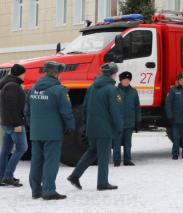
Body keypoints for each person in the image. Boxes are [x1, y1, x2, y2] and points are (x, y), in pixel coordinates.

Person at [67, 62, 123, 192]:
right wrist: (119, 127)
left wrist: (87, 124)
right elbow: (115, 111)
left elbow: (85, 108)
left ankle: (75, 175)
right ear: (113, 74)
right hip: (105, 128)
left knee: (92, 151)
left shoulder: (92, 87)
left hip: (92, 127)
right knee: (104, 154)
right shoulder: (112, 90)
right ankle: (102, 182)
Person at [25, 61, 75, 200]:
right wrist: (70, 128)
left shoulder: (33, 89)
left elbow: (26, 111)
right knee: (51, 162)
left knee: (36, 161)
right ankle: (48, 191)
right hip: (53, 133)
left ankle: (36, 190)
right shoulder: (59, 90)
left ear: (45, 72)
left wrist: (33, 126)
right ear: (58, 74)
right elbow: (66, 112)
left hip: (36, 132)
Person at [0, 64, 28, 187]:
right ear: (20, 74)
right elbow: (10, 107)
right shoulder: (13, 86)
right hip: (13, 124)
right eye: (24, 73)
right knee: (22, 148)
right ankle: (7, 176)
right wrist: (16, 123)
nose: (25, 75)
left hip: (6, 123)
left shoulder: (7, 84)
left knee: (5, 151)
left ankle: (2, 176)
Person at [112, 71, 141, 167]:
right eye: (125, 79)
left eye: (128, 79)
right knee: (117, 142)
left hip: (129, 121)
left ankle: (127, 160)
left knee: (128, 143)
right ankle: (116, 160)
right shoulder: (115, 91)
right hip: (118, 122)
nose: (126, 81)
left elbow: (137, 107)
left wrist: (138, 120)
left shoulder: (133, 92)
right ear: (120, 80)